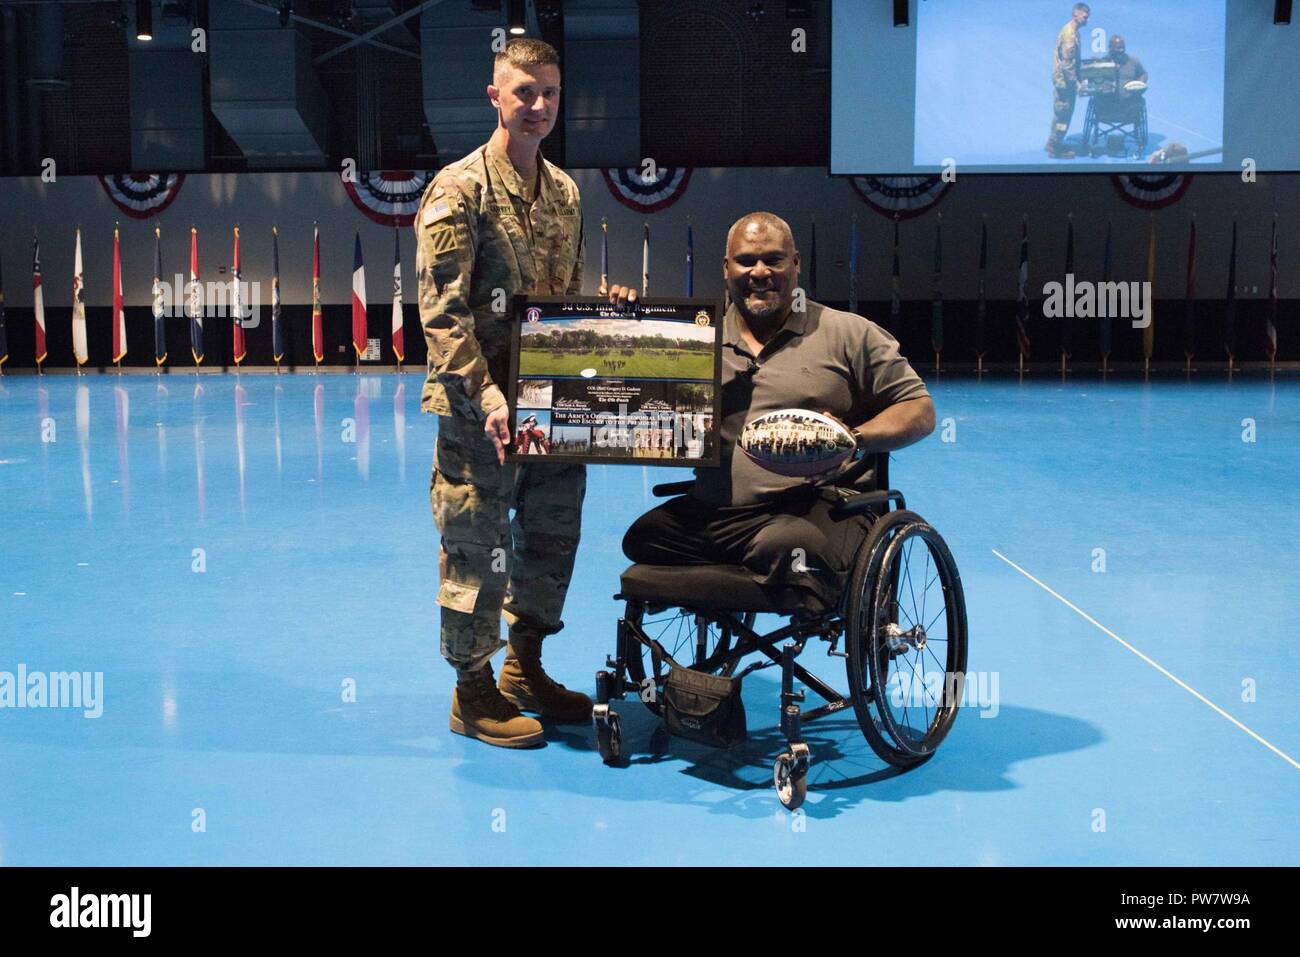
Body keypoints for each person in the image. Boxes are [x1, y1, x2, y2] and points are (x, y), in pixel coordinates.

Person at [605, 212, 935, 613]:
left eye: (773, 260)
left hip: (817, 508)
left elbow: (919, 409)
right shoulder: (694, 338)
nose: (759, 272)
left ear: (795, 265)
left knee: (789, 547)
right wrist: (622, 323)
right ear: (727, 269)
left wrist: (855, 438)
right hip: (716, 512)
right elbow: (626, 393)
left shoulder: (849, 333)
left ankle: (780, 572)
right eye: (746, 261)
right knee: (643, 539)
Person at [416, 37, 590, 749]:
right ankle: (473, 692)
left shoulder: (568, 193)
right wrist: (489, 400)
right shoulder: (458, 190)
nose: (539, 105)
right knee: (476, 546)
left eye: (549, 92)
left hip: (549, 410)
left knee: (550, 538)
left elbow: (562, 306)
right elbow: (442, 316)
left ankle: (525, 666)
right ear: (495, 95)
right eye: (525, 91)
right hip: (476, 414)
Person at [1047, 2, 1091, 159]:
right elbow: (1067, 64)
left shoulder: (1072, 31)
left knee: (1061, 114)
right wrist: (1077, 84)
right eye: (1085, 17)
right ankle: (1055, 148)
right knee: (1064, 115)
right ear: (1076, 14)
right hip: (1065, 84)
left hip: (1064, 82)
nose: (1087, 20)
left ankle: (1053, 142)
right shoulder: (1070, 35)